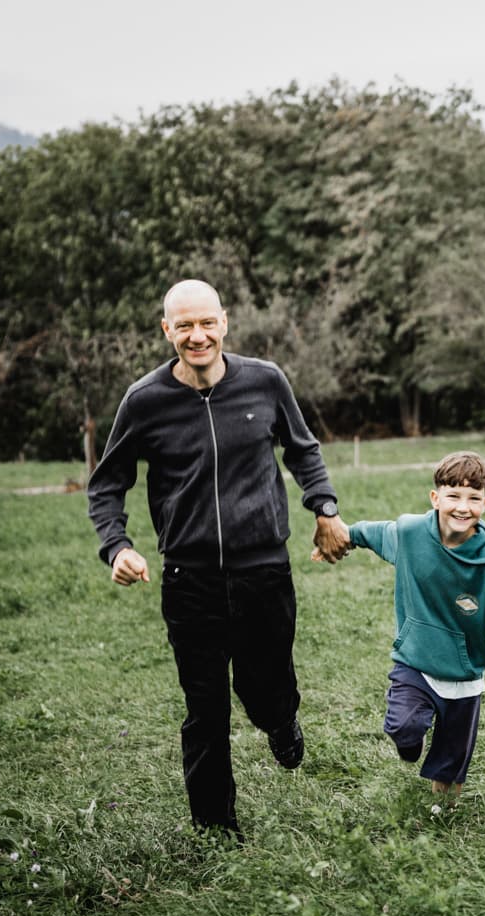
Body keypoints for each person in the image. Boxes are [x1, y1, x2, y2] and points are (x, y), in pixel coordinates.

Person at [86, 278, 353, 839]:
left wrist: (324, 507)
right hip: (190, 578)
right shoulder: (145, 400)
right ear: (167, 331)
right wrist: (118, 545)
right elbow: (106, 484)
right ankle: (215, 830)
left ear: (224, 322)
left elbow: (303, 450)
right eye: (183, 325)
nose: (196, 335)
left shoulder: (265, 381)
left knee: (267, 687)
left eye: (206, 322)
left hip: (264, 570)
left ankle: (280, 722)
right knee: (206, 708)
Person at [334, 451, 485, 798]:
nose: (462, 507)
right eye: (453, 496)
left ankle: (444, 814)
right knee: (404, 727)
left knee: (452, 760)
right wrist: (340, 537)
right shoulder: (410, 534)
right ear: (435, 498)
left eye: (473, 498)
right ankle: (411, 742)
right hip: (415, 659)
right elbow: (371, 533)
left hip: (463, 674)